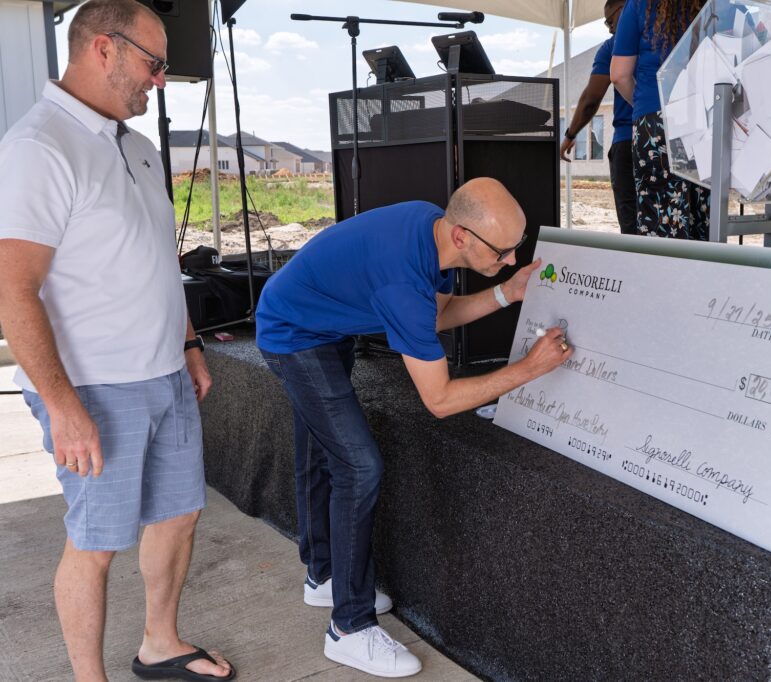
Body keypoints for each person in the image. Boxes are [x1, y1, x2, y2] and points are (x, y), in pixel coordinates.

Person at [0, 1, 234, 680]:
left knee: (179, 514)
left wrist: (189, 346)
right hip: (94, 386)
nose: (160, 79)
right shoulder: (39, 146)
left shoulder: (137, 147)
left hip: (165, 372)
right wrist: (62, 404)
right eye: (154, 63)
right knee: (96, 542)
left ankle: (160, 643)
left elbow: (158, 260)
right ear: (104, 48)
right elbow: (13, 289)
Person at [256, 178, 571, 678]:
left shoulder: (429, 225)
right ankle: (349, 628)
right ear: (462, 236)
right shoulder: (401, 282)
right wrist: (528, 369)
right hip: (292, 333)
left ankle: (324, 576)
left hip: (323, 322)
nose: (513, 259)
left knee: (323, 450)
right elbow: (440, 400)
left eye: (518, 246)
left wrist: (506, 293)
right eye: (503, 252)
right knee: (358, 467)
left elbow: (436, 314)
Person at [610, 0, 710, 240]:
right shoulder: (715, 5)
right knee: (704, 217)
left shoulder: (639, 5)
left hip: (654, 121)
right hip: (705, 119)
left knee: (659, 219)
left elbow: (619, 75)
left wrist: (644, 107)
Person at [560, 0, 638, 235]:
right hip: (668, 140)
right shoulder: (662, 39)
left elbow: (591, 99)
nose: (610, 28)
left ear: (626, 8)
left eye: (610, 20)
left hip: (628, 142)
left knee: (632, 229)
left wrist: (570, 134)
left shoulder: (613, 47)